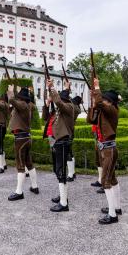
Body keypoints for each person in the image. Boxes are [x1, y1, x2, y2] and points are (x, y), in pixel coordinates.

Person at [88, 80, 121, 224]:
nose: (104, 102)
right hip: (105, 148)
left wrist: (96, 88)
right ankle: (117, 207)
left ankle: (112, 214)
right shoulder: (104, 111)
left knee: (105, 181)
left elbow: (101, 103)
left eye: (106, 100)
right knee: (112, 179)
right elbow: (91, 120)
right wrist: (94, 105)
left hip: (108, 149)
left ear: (111, 102)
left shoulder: (112, 110)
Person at [6, 85, 39, 201]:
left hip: (21, 139)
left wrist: (11, 91)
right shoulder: (27, 105)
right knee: (29, 163)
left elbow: (11, 100)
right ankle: (34, 187)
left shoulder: (24, 105)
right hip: (25, 137)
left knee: (20, 165)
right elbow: (12, 106)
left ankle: (19, 192)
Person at [46, 79, 74, 212]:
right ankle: (64, 197)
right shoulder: (61, 110)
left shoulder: (68, 107)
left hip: (63, 142)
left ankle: (64, 204)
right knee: (58, 171)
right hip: (59, 142)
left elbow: (58, 102)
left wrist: (52, 88)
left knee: (61, 171)